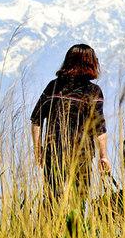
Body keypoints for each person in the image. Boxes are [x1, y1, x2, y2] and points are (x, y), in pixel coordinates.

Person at [31, 44, 110, 206]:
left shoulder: (53, 87)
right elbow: (99, 128)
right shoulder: (93, 91)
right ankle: (75, 231)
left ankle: (49, 231)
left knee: (51, 201)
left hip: (53, 153)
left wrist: (38, 148)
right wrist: (103, 156)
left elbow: (36, 119)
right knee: (78, 203)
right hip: (82, 155)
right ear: (91, 63)